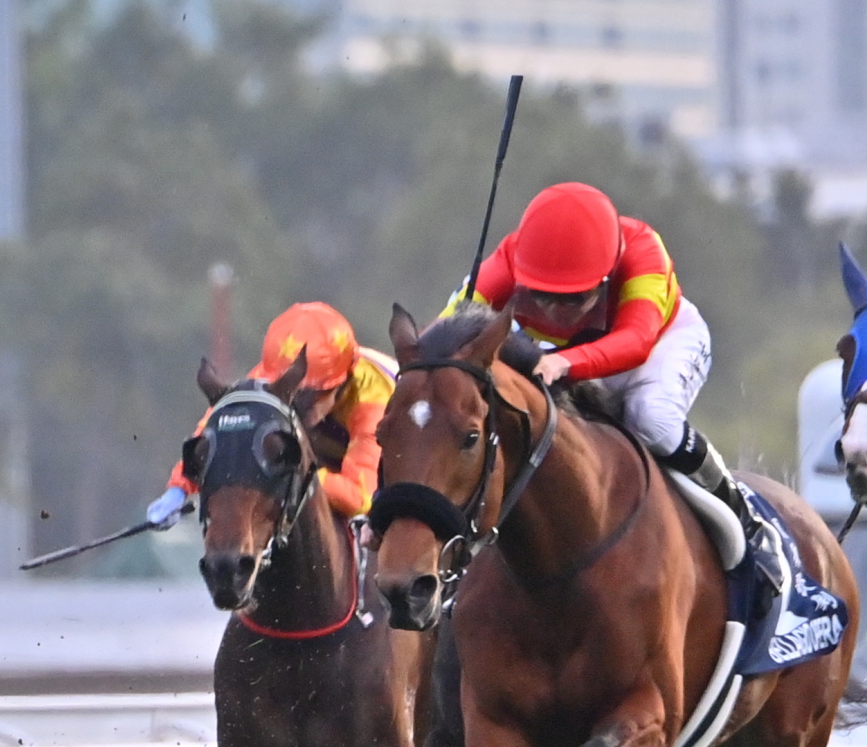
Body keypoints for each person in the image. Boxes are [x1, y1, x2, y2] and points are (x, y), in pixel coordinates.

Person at [454, 181, 759, 556]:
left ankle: (738, 511)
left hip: (656, 345)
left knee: (651, 419)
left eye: (574, 297)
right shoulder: (505, 262)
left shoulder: (644, 251)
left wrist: (566, 361)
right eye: (541, 294)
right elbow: (451, 332)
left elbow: (636, 341)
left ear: (607, 275)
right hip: (557, 355)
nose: (555, 309)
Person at [143, 301, 397, 531]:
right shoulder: (275, 375)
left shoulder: (374, 399)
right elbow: (218, 430)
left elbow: (359, 497)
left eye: (309, 396)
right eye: (287, 392)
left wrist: (293, 474)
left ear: (342, 382)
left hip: (390, 478)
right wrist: (179, 488)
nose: (296, 405)